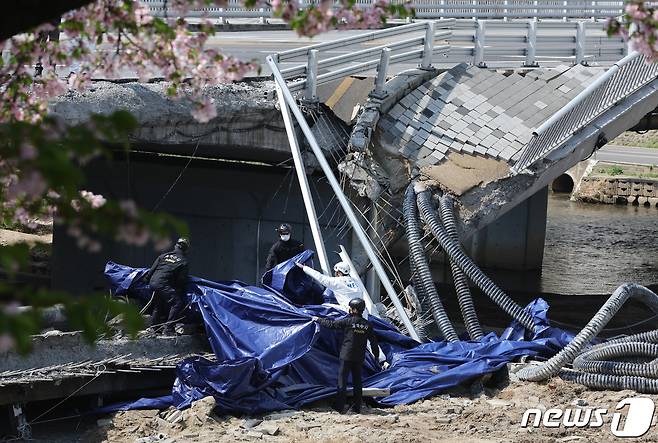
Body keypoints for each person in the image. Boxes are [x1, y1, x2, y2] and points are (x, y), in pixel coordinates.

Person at [311, 298, 379, 414]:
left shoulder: (348, 321)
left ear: (353, 309)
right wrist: (376, 356)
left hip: (346, 355)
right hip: (359, 357)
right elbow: (374, 342)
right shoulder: (367, 325)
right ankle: (357, 407)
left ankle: (339, 407)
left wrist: (317, 319)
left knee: (342, 381)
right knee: (358, 382)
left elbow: (331, 324)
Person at [145, 238, 190, 335]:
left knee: (158, 304)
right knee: (177, 303)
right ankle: (168, 329)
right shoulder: (183, 261)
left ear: (175, 246)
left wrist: (147, 280)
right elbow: (181, 281)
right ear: (186, 250)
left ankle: (154, 328)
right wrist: (178, 289)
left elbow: (150, 272)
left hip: (153, 282)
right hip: (163, 284)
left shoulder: (163, 256)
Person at [296, 260, 366, 317]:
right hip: (363, 313)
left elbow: (320, 277)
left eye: (336, 272)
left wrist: (304, 268)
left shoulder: (338, 281)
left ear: (338, 272)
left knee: (323, 307)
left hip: (348, 311)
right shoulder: (356, 281)